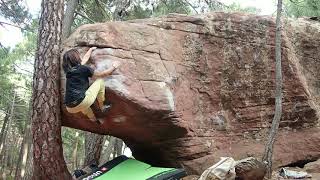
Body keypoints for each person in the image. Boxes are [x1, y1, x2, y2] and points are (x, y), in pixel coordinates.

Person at [62, 47, 120, 124]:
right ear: (76, 58)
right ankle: (102, 106)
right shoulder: (83, 69)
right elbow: (102, 75)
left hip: (70, 107)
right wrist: (114, 67)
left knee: (84, 106)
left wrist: (90, 50)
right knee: (100, 82)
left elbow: (84, 60)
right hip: (82, 102)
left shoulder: (69, 72)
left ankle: (94, 120)